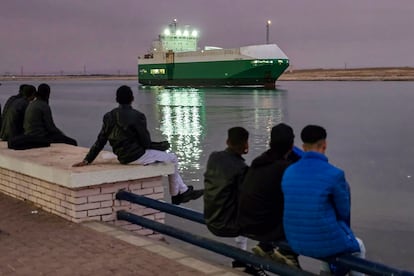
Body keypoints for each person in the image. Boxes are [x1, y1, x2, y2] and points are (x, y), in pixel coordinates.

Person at [73, 85, 203, 205]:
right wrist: (159, 146)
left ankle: (183, 191)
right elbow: (145, 143)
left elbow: (100, 140)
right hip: (136, 156)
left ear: (117, 99)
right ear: (132, 99)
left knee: (164, 158)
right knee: (173, 158)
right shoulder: (138, 116)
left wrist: (87, 159)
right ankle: (176, 195)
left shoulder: (109, 116)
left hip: (122, 157)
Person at [282, 125, 366, 275]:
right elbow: (344, 211)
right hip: (320, 241)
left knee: (325, 238)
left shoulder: (289, 172)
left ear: (303, 147)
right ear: (325, 145)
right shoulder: (335, 174)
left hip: (294, 240)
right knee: (358, 248)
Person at [204, 127, 268, 275]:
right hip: (226, 225)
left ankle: (241, 261)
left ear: (227, 141)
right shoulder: (242, 168)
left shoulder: (214, 157)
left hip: (209, 218)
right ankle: (252, 256)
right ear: (246, 145)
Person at [237, 123, 301, 269]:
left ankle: (265, 247)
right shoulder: (285, 168)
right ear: (291, 145)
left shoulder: (260, 160)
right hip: (262, 227)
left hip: (245, 221)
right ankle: (286, 252)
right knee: (299, 206)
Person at [8, 83, 77, 149]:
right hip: (39, 136)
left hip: (29, 134)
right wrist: (62, 134)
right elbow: (50, 127)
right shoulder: (43, 106)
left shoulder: (32, 104)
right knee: (72, 142)